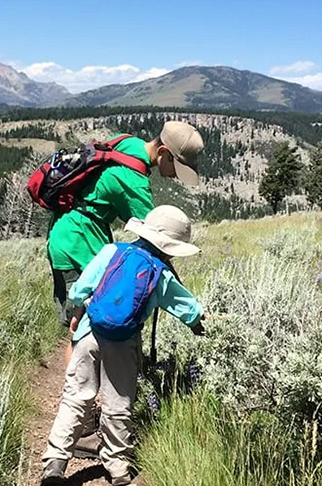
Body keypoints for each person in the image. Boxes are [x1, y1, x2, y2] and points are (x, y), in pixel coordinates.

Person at [41, 205, 206, 486]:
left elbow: (82, 287)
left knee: (76, 397)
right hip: (123, 341)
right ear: (170, 247)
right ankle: (117, 467)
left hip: (89, 332)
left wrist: (78, 310)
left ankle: (55, 462)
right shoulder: (161, 274)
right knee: (118, 404)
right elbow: (188, 309)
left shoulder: (112, 251)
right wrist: (199, 323)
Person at [48, 121, 205, 331]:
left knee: (83, 324)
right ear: (163, 152)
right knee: (86, 327)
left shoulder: (128, 142)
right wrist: (188, 303)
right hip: (78, 243)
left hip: (64, 232)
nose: (177, 174)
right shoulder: (134, 182)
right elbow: (159, 244)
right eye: (178, 166)